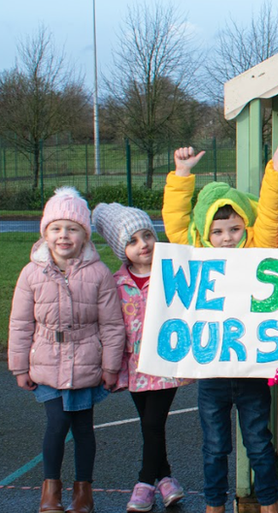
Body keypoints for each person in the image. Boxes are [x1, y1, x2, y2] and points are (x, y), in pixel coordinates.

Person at [163, 143, 278, 513]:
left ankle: (269, 503)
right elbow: (175, 225)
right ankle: (214, 506)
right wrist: (183, 175)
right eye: (218, 230)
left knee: (259, 443)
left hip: (252, 370)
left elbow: (269, 218)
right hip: (213, 371)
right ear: (205, 233)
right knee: (215, 446)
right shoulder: (196, 252)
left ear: (244, 228)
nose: (227, 237)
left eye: (235, 228)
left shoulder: (258, 250)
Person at [8, 186, 126, 513]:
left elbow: (112, 325)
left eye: (72, 229)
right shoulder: (32, 273)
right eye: (57, 228)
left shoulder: (99, 273)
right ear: (46, 233)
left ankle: (83, 492)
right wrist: (19, 367)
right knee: (57, 424)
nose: (64, 236)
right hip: (46, 361)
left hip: (87, 360)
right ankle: (50, 492)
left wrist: (110, 366)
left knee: (83, 428)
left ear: (84, 236)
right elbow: (20, 323)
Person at [92, 203, 192, 513]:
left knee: (152, 422)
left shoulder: (170, 272)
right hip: (134, 365)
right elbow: (109, 324)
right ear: (122, 249)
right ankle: (166, 479)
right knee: (149, 425)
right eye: (132, 241)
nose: (143, 244)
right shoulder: (114, 282)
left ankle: (145, 483)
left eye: (147, 235)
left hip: (165, 363)